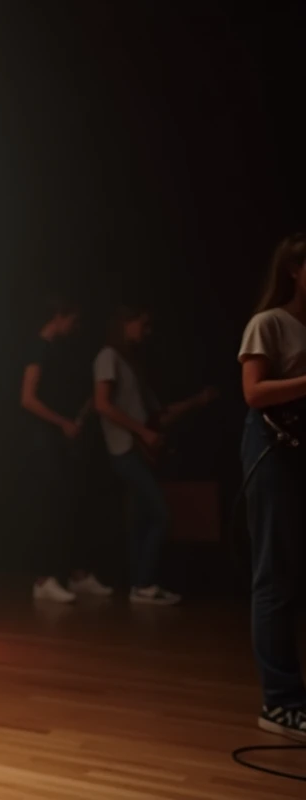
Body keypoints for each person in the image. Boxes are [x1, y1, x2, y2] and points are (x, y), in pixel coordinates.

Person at [92, 304, 214, 606]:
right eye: (143, 324)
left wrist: (197, 401)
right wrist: (142, 432)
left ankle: (141, 585)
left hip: (139, 451)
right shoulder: (108, 356)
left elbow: (159, 415)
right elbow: (102, 404)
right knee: (160, 514)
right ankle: (143, 583)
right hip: (124, 450)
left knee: (139, 520)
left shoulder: (131, 365)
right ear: (126, 322)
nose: (147, 332)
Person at [237, 232, 306, 743]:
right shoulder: (269, 323)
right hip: (273, 452)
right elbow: (254, 391)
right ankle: (279, 702)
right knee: (275, 577)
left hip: (300, 454)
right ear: (294, 271)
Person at [19, 293, 112, 602]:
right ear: (58, 316)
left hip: (58, 440)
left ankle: (76, 574)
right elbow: (27, 398)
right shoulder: (38, 347)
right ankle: (44, 579)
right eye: (73, 319)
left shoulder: (58, 350)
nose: (76, 326)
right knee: (49, 508)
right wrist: (62, 423)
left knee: (69, 506)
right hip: (42, 440)